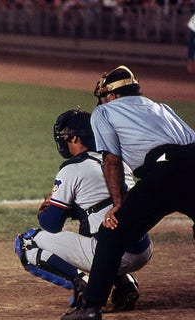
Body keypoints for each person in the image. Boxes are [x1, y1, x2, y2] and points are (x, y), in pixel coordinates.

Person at [61, 66, 195, 320]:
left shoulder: (104, 112)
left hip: (163, 172)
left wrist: (118, 205)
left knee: (112, 234)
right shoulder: (162, 108)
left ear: (111, 96)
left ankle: (91, 307)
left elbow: (111, 160)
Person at [15, 109, 152, 313]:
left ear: (75, 137)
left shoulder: (72, 169)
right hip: (143, 249)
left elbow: (51, 224)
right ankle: (125, 285)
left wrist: (45, 206)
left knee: (27, 242)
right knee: (90, 226)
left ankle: (84, 282)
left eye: (65, 136)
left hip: (116, 253)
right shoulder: (116, 160)